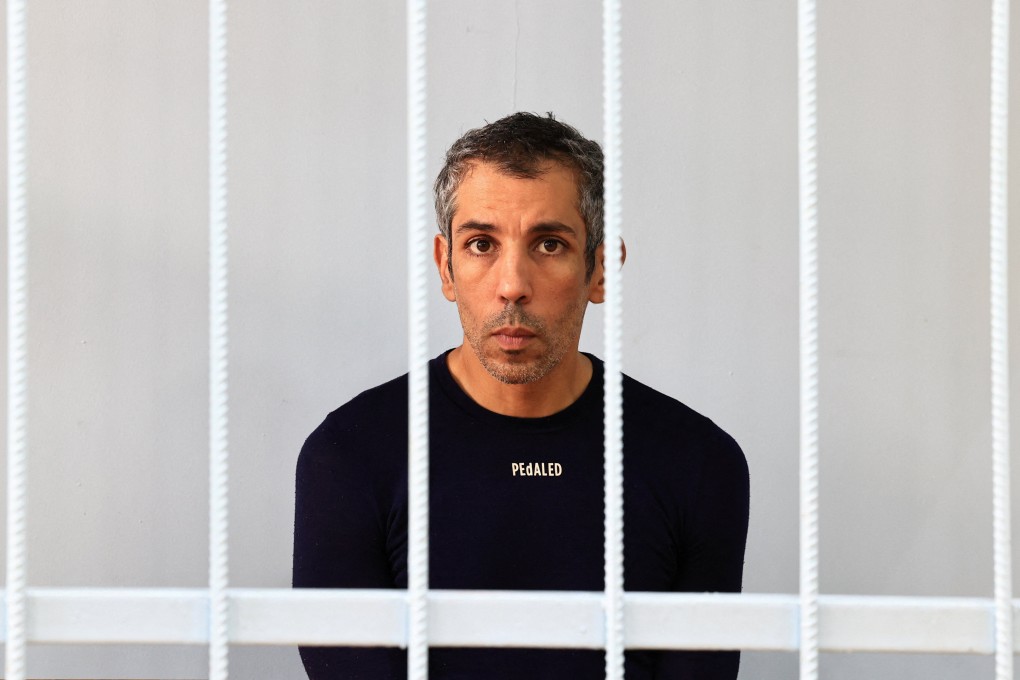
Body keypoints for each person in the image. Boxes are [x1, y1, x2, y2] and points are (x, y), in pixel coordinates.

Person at [293, 112, 750, 679]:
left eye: (549, 244)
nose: (512, 284)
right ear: (446, 266)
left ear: (601, 269)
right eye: (481, 243)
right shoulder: (350, 455)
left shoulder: (698, 463)